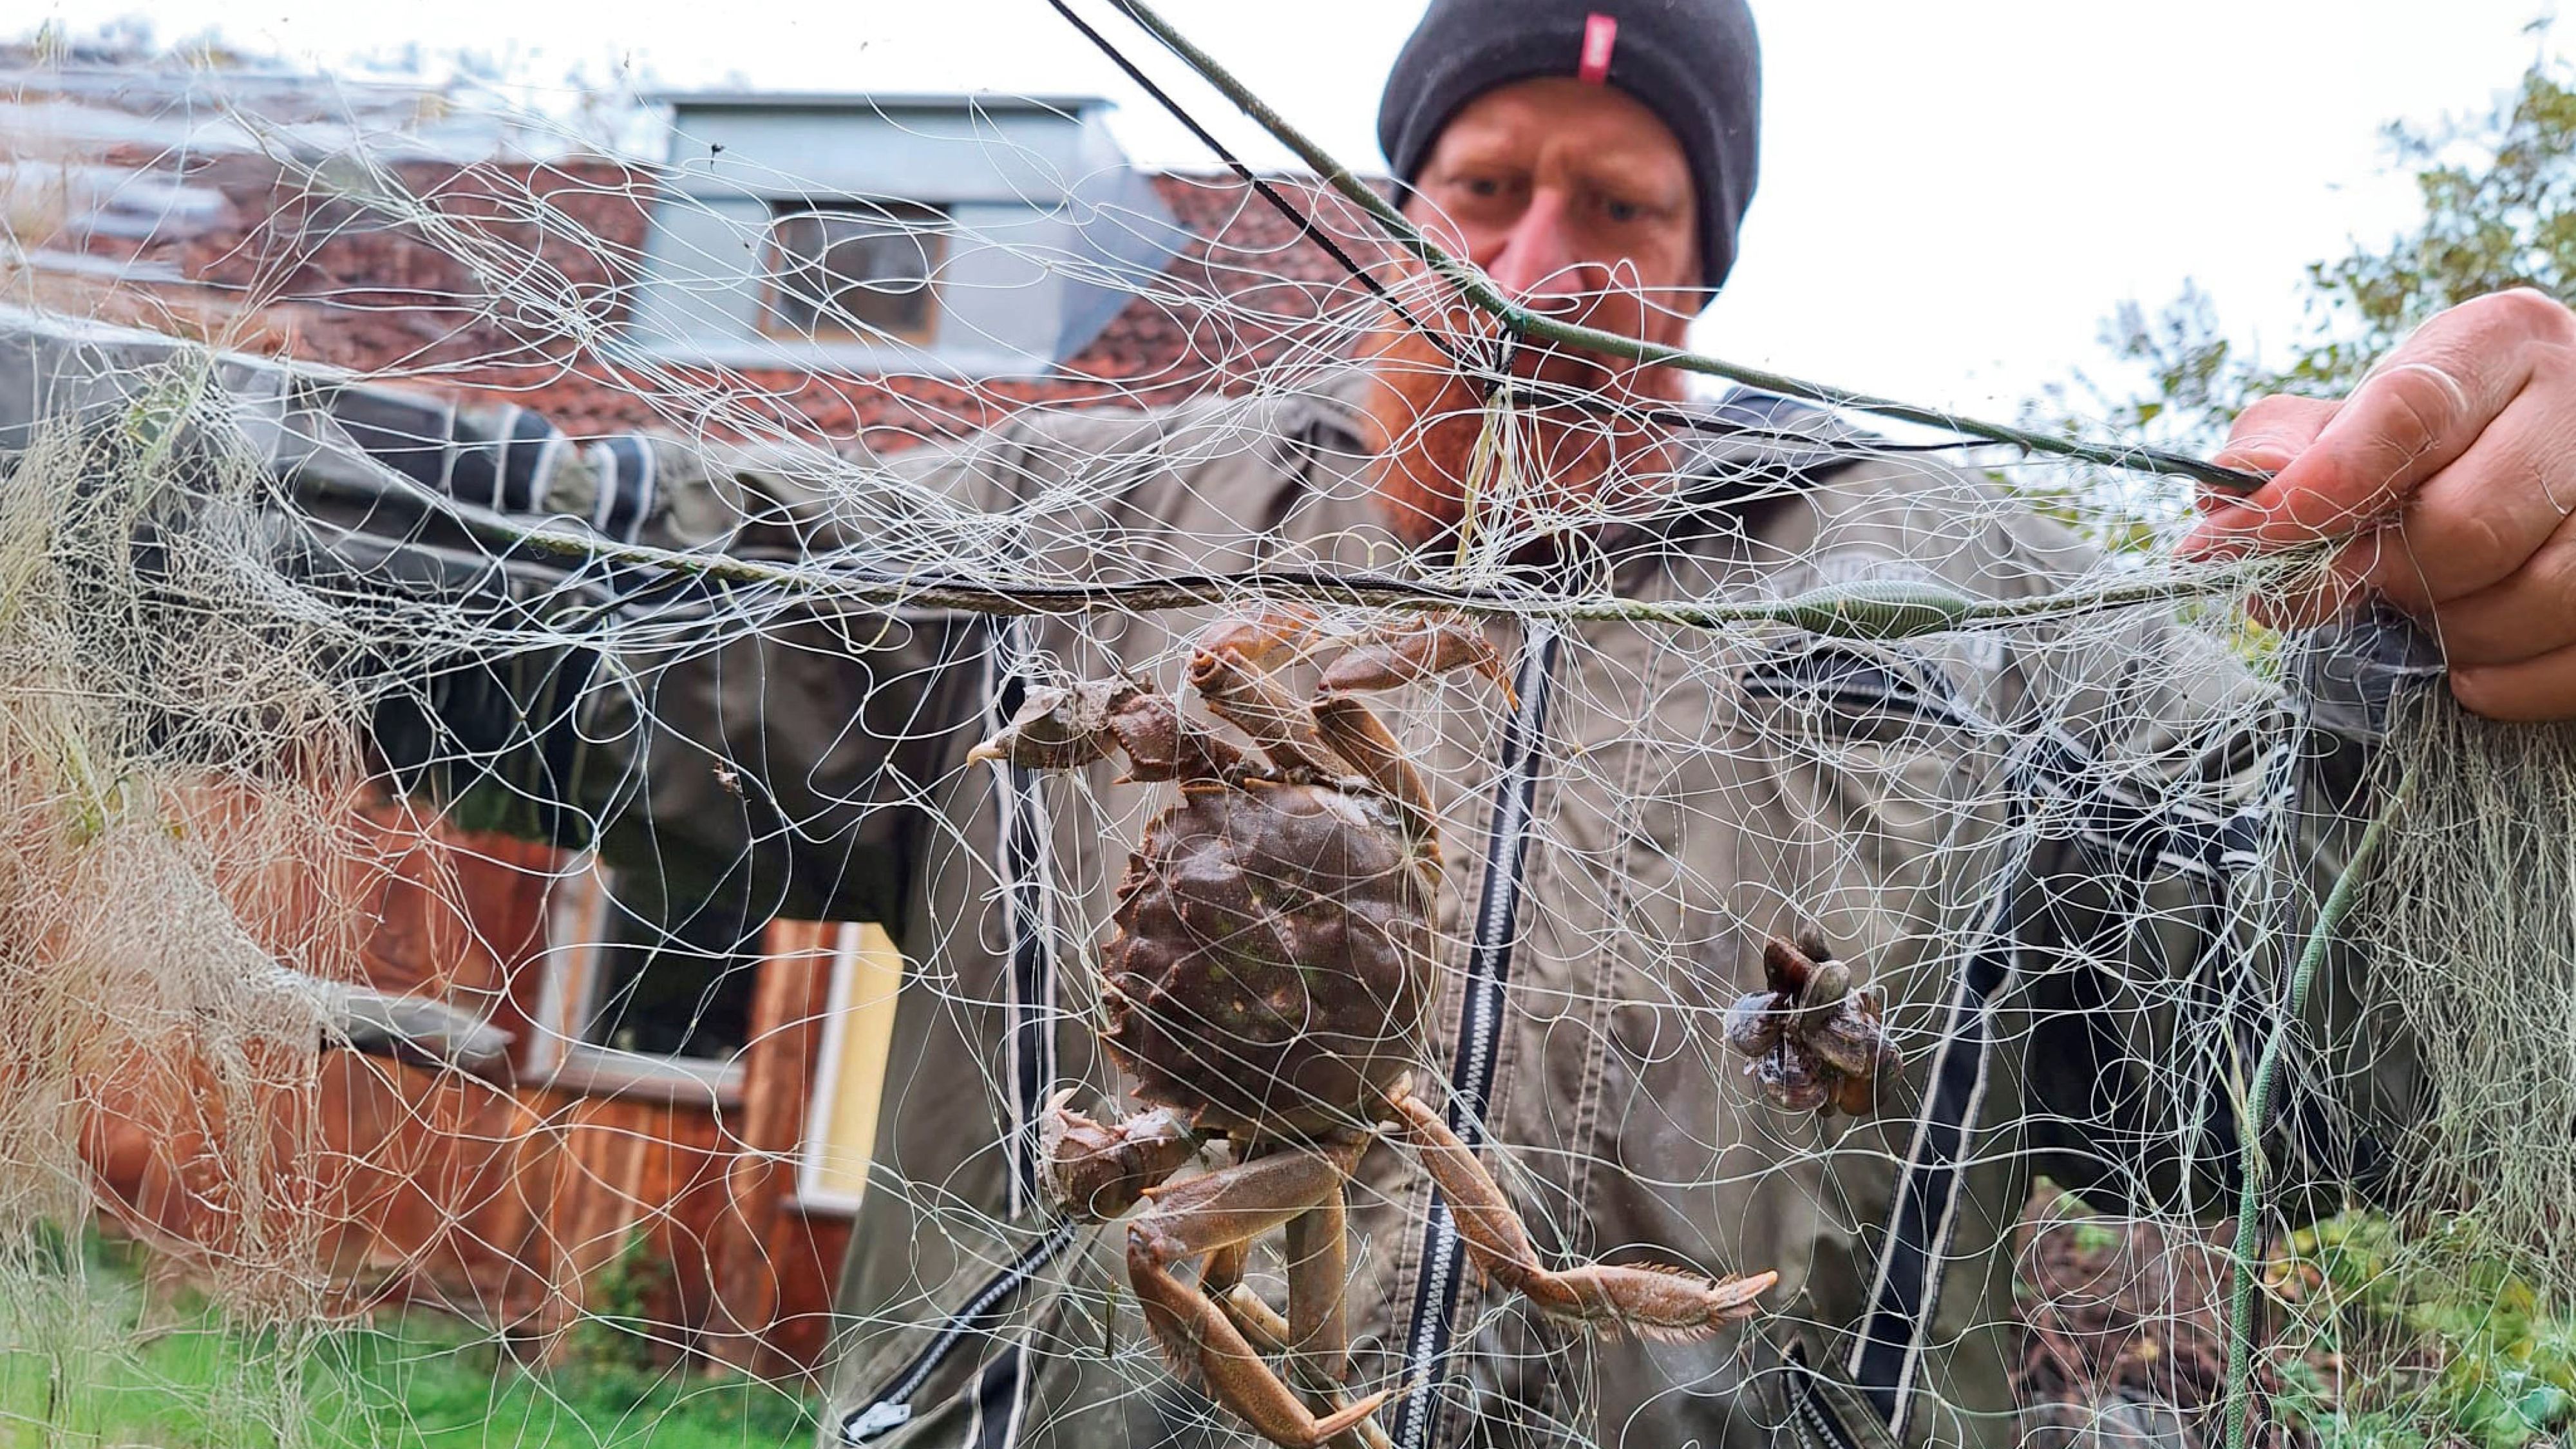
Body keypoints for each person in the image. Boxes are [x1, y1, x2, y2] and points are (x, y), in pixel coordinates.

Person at [510, 3, 2576, 1447]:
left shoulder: (1976, 599)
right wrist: (191, 462)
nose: (1532, 274)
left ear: (1708, 267)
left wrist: (2484, 704)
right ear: (1396, 210)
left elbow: (2359, 1047)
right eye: (1481, 186)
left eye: (1623, 211)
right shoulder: (1104, 535)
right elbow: (639, 593)